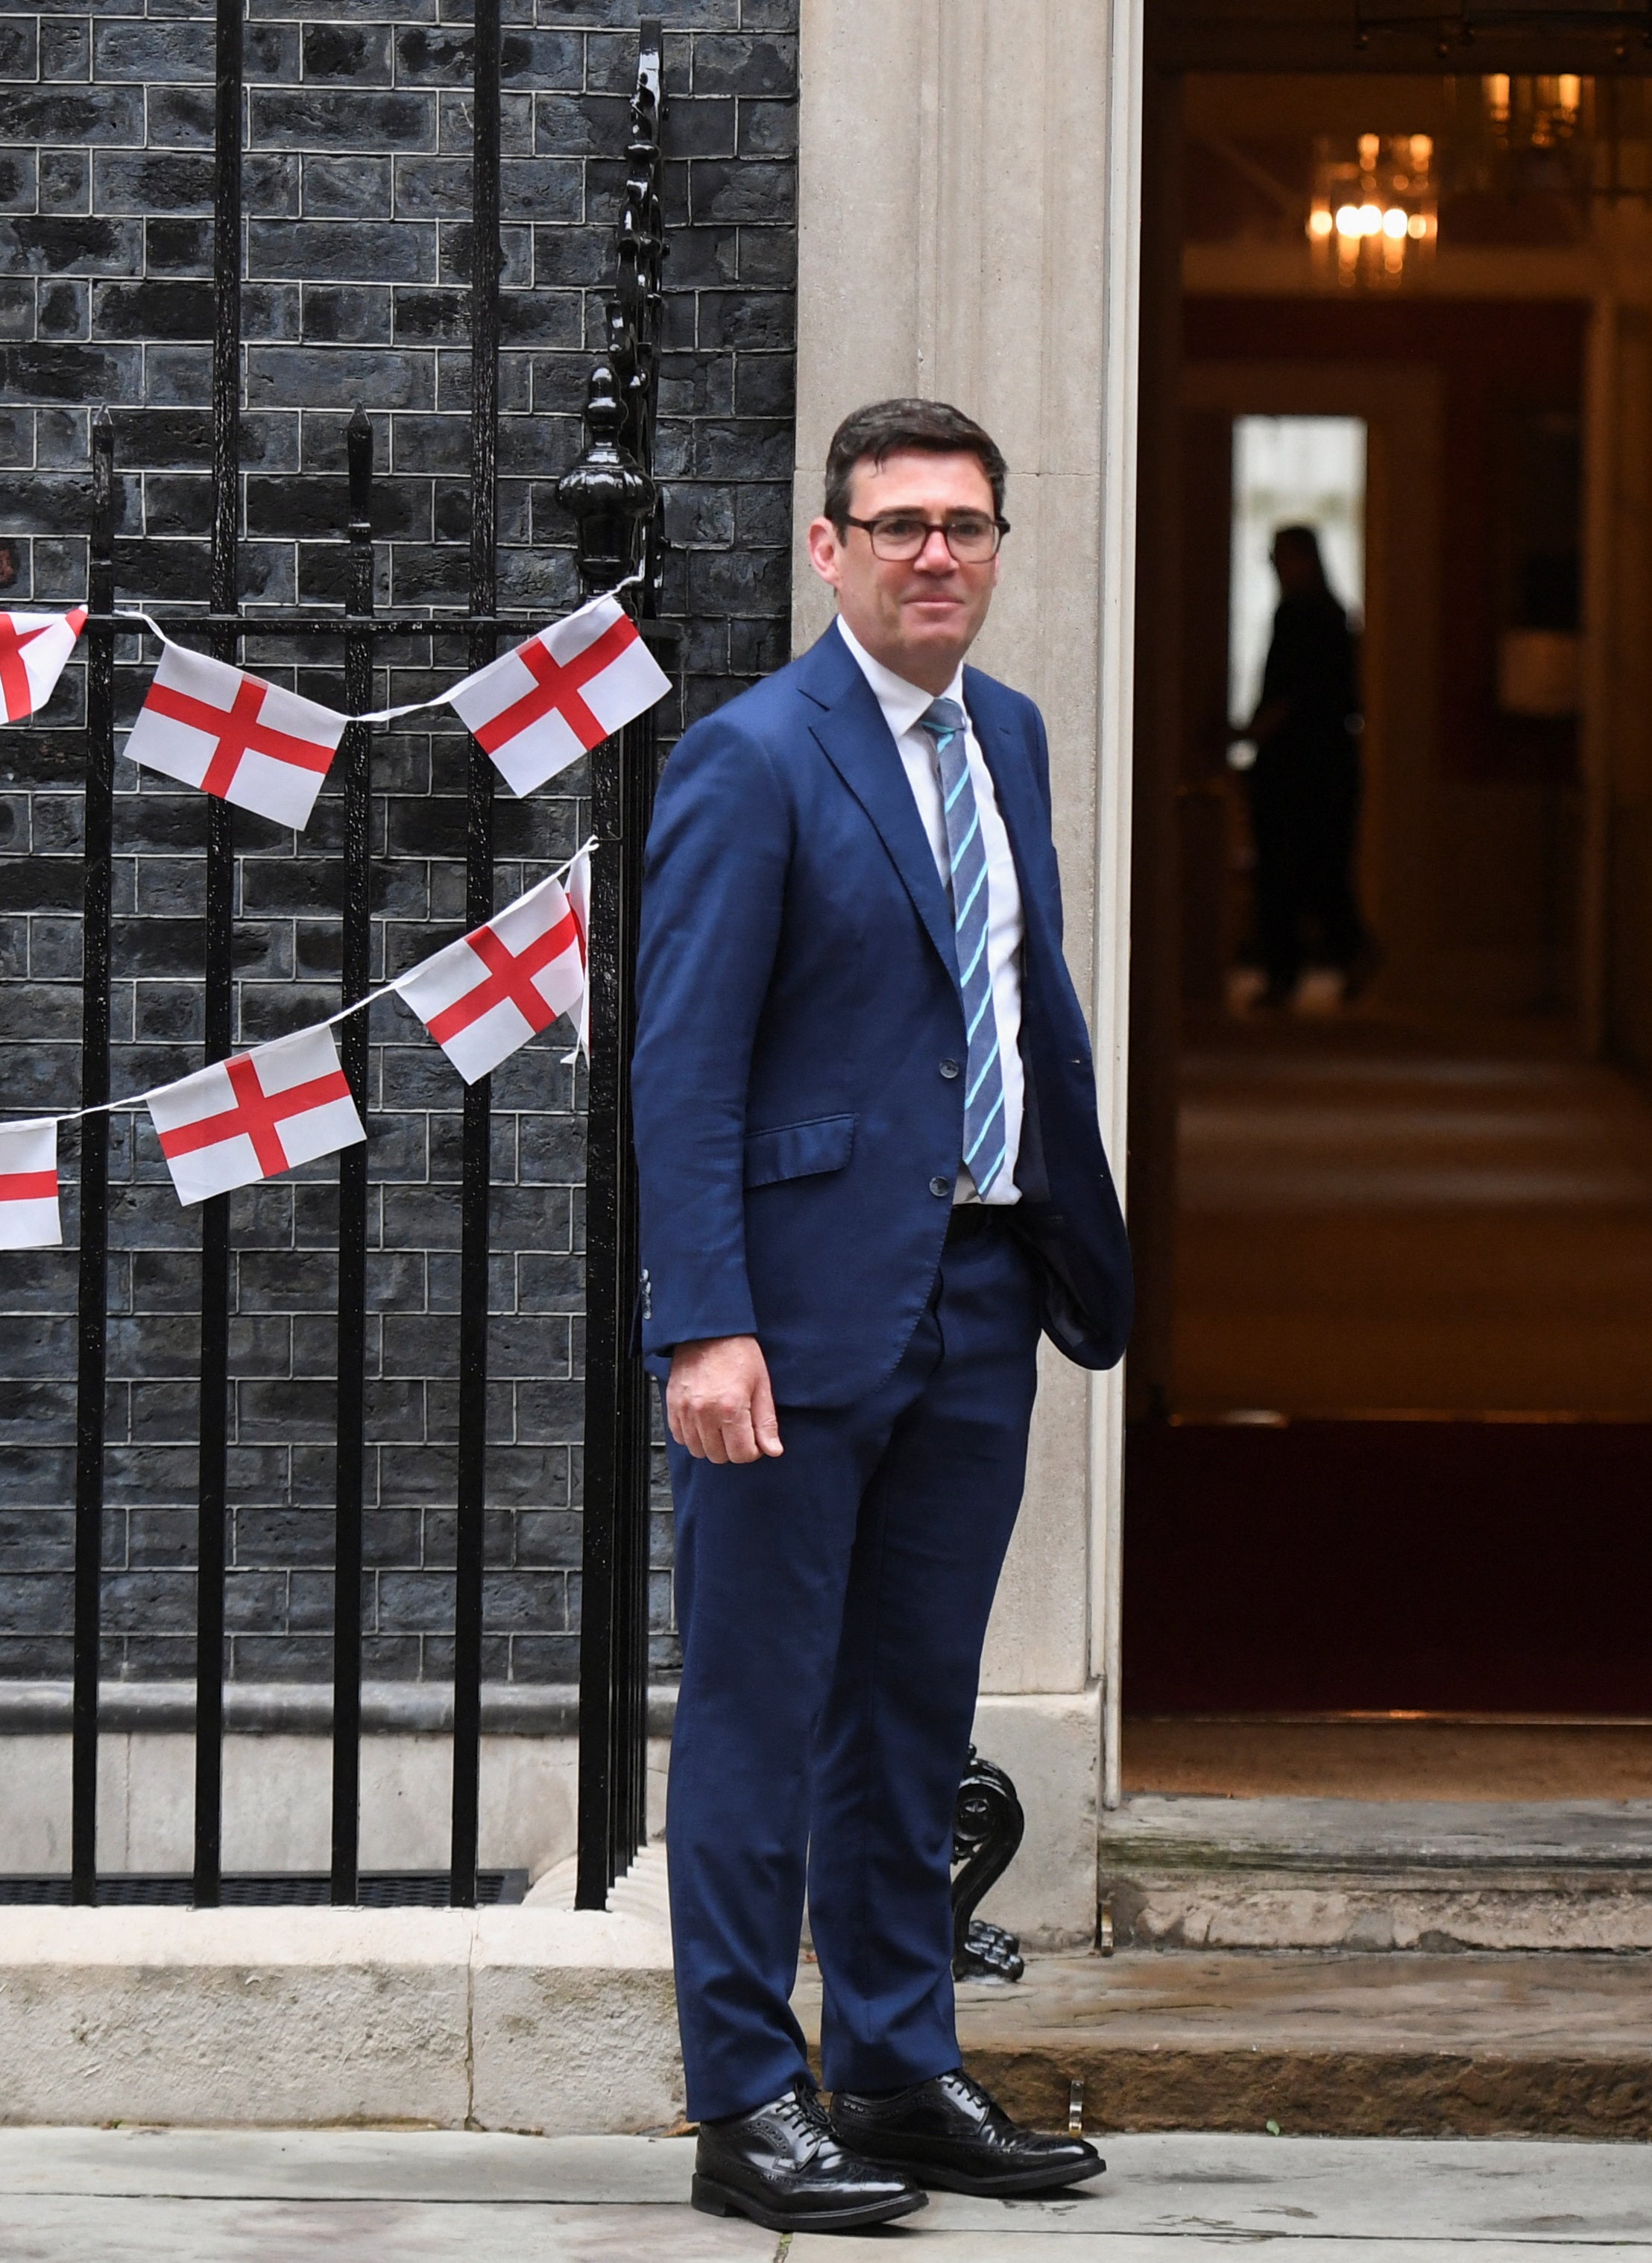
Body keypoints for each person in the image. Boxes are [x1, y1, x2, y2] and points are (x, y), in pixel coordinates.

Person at [636, 397, 1133, 2235]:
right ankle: (746, 2097)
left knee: (913, 1712)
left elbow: (1011, 1003)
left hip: (976, 1297)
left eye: (969, 525)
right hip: (791, 1315)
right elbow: (683, 1067)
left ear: (1001, 549)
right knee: (761, 1717)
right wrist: (707, 1319)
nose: (938, 553)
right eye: (901, 523)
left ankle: (898, 2067)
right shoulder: (751, 760)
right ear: (830, 549)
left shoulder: (1006, 733)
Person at [1235, 524, 1372, 1006]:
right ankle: (1339, 955)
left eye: (1280, 557)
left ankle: (1292, 972)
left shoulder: (1303, 614)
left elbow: (1295, 695)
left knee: (1291, 872)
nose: (1275, 566)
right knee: (1317, 870)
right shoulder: (1329, 615)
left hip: (1300, 765)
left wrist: (1252, 734)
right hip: (1322, 761)